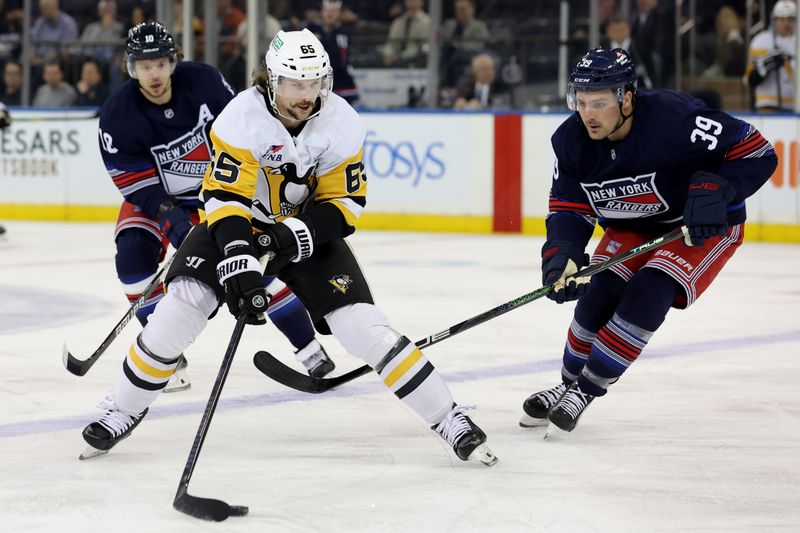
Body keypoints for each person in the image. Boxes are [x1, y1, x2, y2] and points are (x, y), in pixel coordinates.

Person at [80, 28, 497, 467]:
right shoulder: (241, 116)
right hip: (236, 223)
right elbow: (225, 199)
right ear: (272, 80)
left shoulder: (342, 121)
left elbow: (344, 204)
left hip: (307, 232)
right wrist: (241, 263)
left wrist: (288, 236)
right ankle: (123, 411)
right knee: (181, 305)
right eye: (296, 83)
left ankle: (449, 418)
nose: (306, 94)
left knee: (364, 328)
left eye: (315, 82)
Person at [519, 48, 777, 435]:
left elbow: (757, 151)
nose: (587, 113)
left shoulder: (675, 120)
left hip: (700, 226)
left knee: (650, 290)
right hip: (634, 224)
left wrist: (717, 189)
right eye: (581, 101)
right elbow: (569, 210)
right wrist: (563, 256)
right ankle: (567, 382)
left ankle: (586, 391)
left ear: (627, 97)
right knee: (598, 292)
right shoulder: (570, 141)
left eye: (600, 103)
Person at [92, 22, 334, 401]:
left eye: (159, 63)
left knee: (252, 266)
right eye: (144, 65)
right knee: (132, 262)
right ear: (130, 67)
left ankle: (309, 349)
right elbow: (133, 180)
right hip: (161, 201)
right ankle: (164, 355)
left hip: (222, 193)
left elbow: (246, 129)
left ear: (174, 61)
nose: (153, 73)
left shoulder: (204, 82)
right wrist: (168, 210)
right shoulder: (118, 114)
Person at [745, 0, 796, 112]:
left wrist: (790, 62)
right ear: (774, 20)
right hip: (768, 105)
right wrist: (762, 69)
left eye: (790, 19)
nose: (786, 24)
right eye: (782, 19)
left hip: (796, 106)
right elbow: (749, 80)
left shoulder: (797, 41)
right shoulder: (761, 41)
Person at [307, 0, 359, 106]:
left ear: (340, 13)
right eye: (327, 10)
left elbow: (341, 61)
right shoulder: (311, 30)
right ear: (321, 12)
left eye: (334, 11)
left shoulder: (342, 33)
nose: (329, 14)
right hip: (318, 85)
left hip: (343, 87)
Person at [381, 0, 430, 67]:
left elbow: (423, 47)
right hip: (395, 58)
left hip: (414, 58)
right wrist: (388, 54)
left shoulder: (427, 22)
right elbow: (391, 43)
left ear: (421, 2)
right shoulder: (398, 22)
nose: (411, 1)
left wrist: (398, 56)